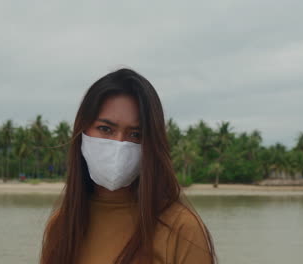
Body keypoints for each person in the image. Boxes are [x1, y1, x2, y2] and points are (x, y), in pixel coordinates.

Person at [40, 68, 218, 264]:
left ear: (151, 144)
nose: (119, 144)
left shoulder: (181, 230)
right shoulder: (62, 226)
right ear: (82, 131)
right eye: (105, 129)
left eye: (135, 134)